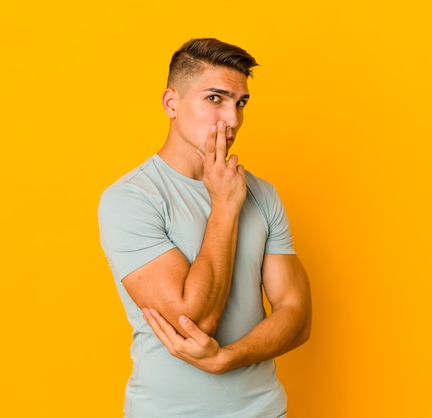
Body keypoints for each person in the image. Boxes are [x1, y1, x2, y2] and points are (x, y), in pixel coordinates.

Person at [98, 38, 312, 418]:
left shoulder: (262, 194)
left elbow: (297, 315)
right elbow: (192, 323)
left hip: (265, 410)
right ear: (171, 103)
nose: (231, 119)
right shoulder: (130, 199)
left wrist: (228, 358)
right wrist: (225, 207)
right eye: (215, 98)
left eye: (240, 102)